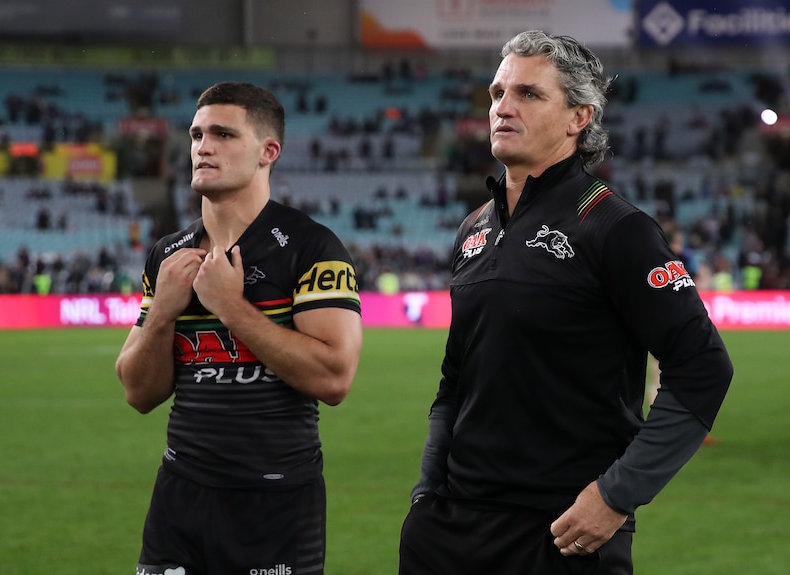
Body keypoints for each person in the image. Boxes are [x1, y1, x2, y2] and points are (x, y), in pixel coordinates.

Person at [399, 30, 733, 574]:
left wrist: (616, 496)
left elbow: (703, 367)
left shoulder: (616, 228)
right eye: (496, 93)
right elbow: (454, 383)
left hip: (561, 534)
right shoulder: (473, 230)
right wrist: (427, 493)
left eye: (528, 94)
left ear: (580, 117)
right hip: (448, 529)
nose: (503, 108)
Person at [115, 81, 363, 575]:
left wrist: (231, 308)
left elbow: (334, 379)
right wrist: (162, 313)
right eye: (196, 134)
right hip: (179, 499)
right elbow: (138, 393)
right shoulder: (168, 256)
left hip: (275, 503)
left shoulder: (312, 248)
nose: (203, 146)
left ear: (268, 151)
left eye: (223, 134)